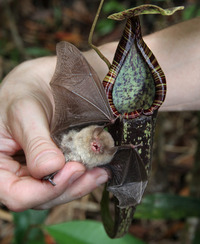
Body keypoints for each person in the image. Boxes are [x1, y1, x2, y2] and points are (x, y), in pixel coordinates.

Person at [0, 17, 199, 212]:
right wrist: (39, 77)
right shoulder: (85, 128)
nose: (97, 146)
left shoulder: (114, 153)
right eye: (98, 141)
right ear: (95, 131)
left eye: (100, 148)